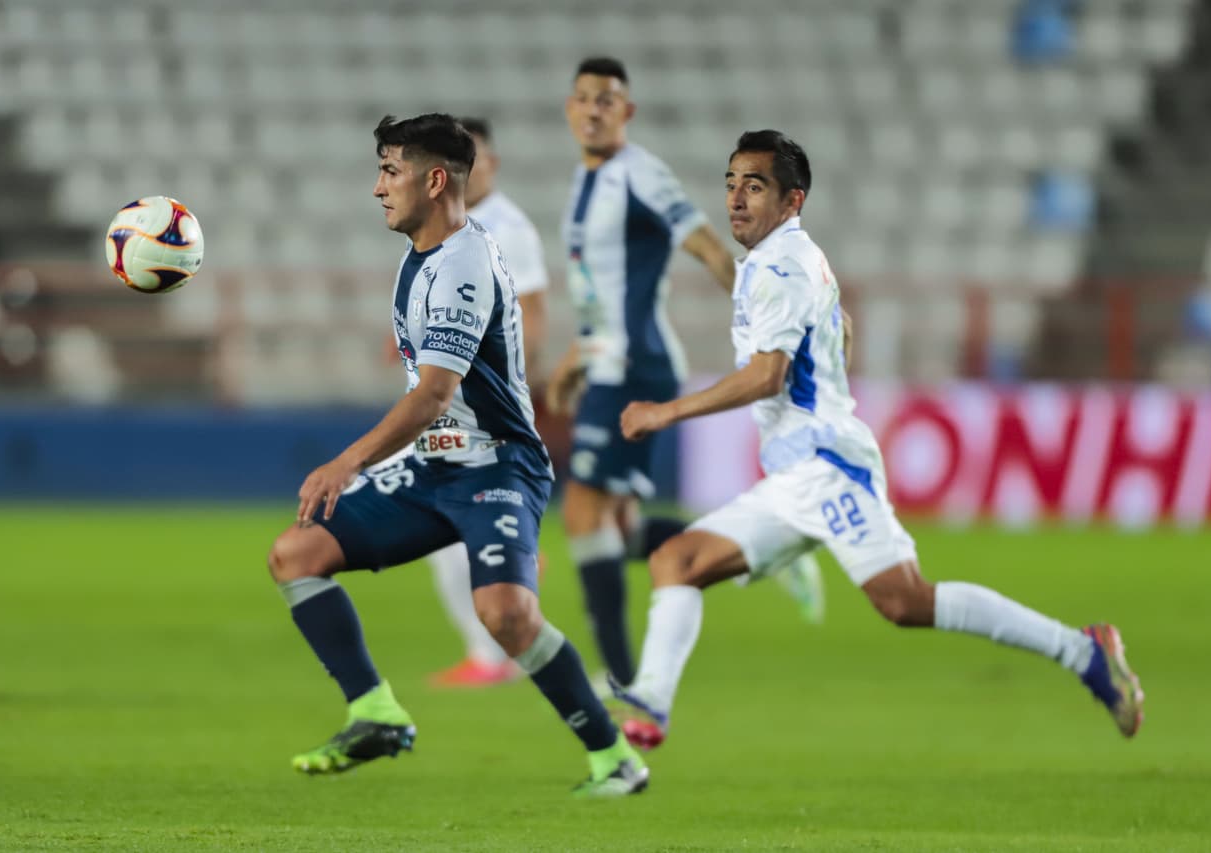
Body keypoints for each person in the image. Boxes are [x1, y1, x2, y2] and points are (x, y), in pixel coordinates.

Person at [609, 129, 1145, 750]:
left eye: (754, 186)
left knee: (905, 601)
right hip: (795, 473)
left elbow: (766, 376)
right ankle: (651, 702)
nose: (735, 198)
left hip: (826, 467)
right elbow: (833, 323)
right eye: (731, 184)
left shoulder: (781, 266)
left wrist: (666, 413)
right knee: (676, 561)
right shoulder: (783, 260)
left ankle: (1083, 652)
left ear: (792, 200)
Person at [266, 113, 647, 796]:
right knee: (296, 554)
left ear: (434, 180)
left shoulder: (464, 264)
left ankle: (613, 755)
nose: (378, 188)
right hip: (433, 465)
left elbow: (436, 394)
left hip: (496, 463)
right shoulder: (422, 254)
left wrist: (349, 460)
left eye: (391, 171)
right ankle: (375, 712)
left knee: (506, 615)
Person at [548, 57, 825, 690]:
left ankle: (622, 676)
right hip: (605, 360)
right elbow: (598, 292)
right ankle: (767, 547)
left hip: (634, 365)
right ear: (570, 109)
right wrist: (572, 360)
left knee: (584, 516)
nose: (593, 110)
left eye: (606, 100)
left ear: (626, 112)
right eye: (583, 98)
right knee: (616, 529)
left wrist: (760, 314)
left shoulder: (639, 173)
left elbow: (705, 245)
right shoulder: (586, 180)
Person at [425, 117, 549, 688]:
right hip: (451, 401)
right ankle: (501, 644)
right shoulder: (449, 227)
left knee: (449, 523)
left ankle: (496, 652)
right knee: (448, 526)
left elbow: (534, 314)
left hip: (484, 404)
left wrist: (514, 389)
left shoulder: (507, 229)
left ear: (491, 165)